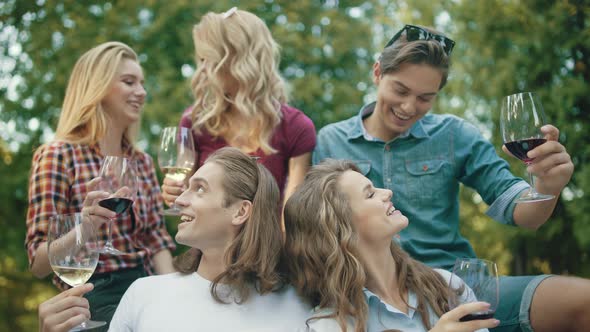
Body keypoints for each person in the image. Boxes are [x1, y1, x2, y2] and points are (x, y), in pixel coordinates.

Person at [312, 24, 589, 332]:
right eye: (401, 90)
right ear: (377, 73)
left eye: (425, 98)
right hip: (377, 293)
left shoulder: (455, 135)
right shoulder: (330, 141)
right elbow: (317, 232)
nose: (408, 107)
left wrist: (548, 185)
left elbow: (525, 215)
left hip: (457, 285)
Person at [26, 41, 177, 328]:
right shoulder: (58, 155)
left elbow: (156, 241)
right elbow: (38, 263)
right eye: (129, 82)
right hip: (92, 295)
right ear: (98, 87)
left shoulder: (141, 161)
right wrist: (85, 227)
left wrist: (171, 293)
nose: (142, 92)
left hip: (144, 288)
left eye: (142, 83)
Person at [109, 147, 312, 331]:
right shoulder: (144, 294)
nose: (179, 200)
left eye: (199, 189)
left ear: (240, 211)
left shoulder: (297, 309)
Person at [283, 159, 498, 332]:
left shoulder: (447, 287)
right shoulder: (330, 325)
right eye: (370, 194)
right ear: (341, 227)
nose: (387, 192)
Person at [162, 8, 316, 220]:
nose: (203, 69)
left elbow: (290, 220)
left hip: (270, 249)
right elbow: (183, 202)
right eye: (201, 60)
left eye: (210, 59)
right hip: (209, 248)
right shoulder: (195, 122)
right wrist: (174, 193)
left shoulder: (296, 127)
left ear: (239, 61)